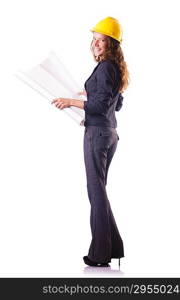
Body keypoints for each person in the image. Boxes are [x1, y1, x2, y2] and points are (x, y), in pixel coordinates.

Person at [52, 16, 129, 267]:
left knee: (96, 194)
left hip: (97, 135)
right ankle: (113, 246)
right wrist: (92, 93)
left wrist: (70, 101)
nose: (96, 44)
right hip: (108, 133)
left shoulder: (106, 67)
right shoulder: (114, 68)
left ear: (112, 44)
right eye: (94, 40)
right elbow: (116, 103)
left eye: (101, 41)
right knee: (99, 193)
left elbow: (100, 105)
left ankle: (100, 255)